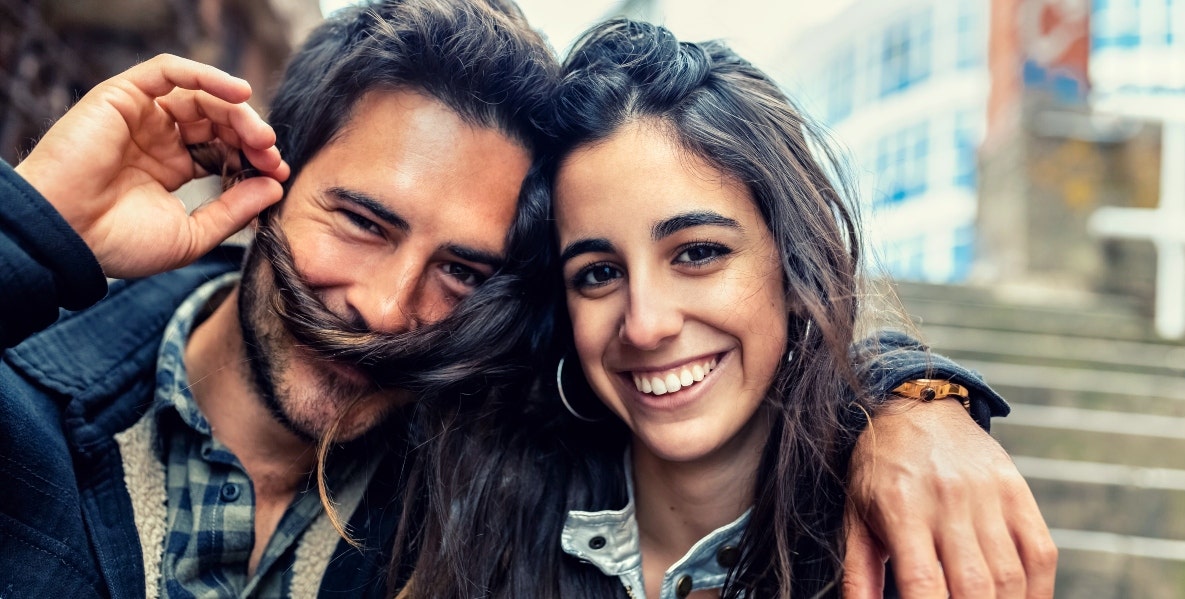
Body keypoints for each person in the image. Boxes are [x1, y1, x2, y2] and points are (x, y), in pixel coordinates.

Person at [0, 1, 1052, 597]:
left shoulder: (473, 454)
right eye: (361, 220)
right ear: (260, 184)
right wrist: (34, 229)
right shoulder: (25, 404)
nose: (388, 302)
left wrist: (910, 405)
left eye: (462, 268)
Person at [396, 18, 1056, 599]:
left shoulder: (898, 550)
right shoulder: (475, 509)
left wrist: (917, 397)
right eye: (598, 273)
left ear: (791, 262)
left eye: (698, 252)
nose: (647, 323)